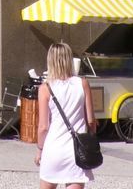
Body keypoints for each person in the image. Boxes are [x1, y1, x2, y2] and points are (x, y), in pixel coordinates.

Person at [36, 42, 98, 189]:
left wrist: (39, 150)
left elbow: (43, 127)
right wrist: (92, 136)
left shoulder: (45, 88)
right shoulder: (82, 84)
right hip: (77, 150)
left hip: (53, 149)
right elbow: (91, 120)